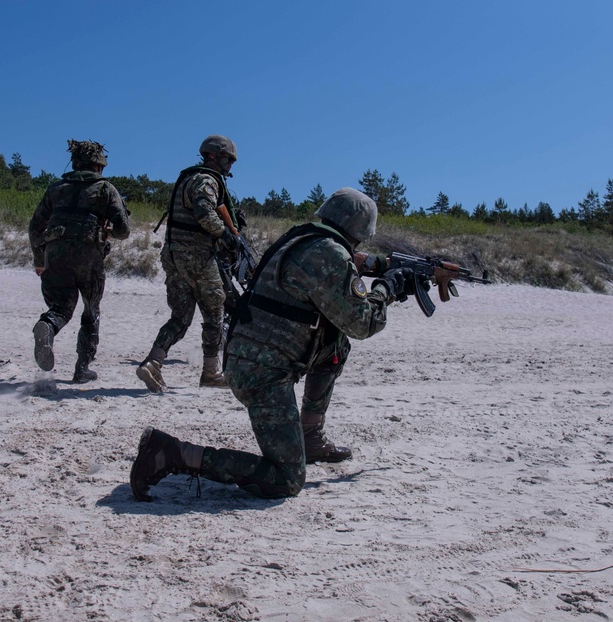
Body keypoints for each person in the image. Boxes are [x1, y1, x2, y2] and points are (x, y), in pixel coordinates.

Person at [131, 188, 416, 500]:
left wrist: (380, 267)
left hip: (248, 356)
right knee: (287, 479)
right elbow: (362, 323)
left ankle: (309, 437)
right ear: (361, 230)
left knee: (336, 345)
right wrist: (386, 290)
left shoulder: (302, 240)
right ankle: (173, 453)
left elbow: (347, 268)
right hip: (263, 374)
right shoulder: (332, 255)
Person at [136, 135, 243, 392]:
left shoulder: (187, 177)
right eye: (228, 159)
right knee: (215, 313)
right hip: (197, 257)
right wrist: (226, 235)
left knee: (180, 318)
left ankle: (153, 362)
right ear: (214, 156)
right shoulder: (206, 180)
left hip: (174, 258)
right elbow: (205, 212)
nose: (230, 166)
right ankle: (211, 373)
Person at [28, 140, 130, 383]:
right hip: (89, 256)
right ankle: (82, 368)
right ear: (99, 166)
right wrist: (107, 233)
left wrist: (39, 259)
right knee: (90, 311)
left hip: (55, 253)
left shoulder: (56, 188)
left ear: (74, 162)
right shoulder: (105, 189)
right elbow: (123, 230)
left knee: (61, 307)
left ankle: (48, 326)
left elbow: (35, 227)